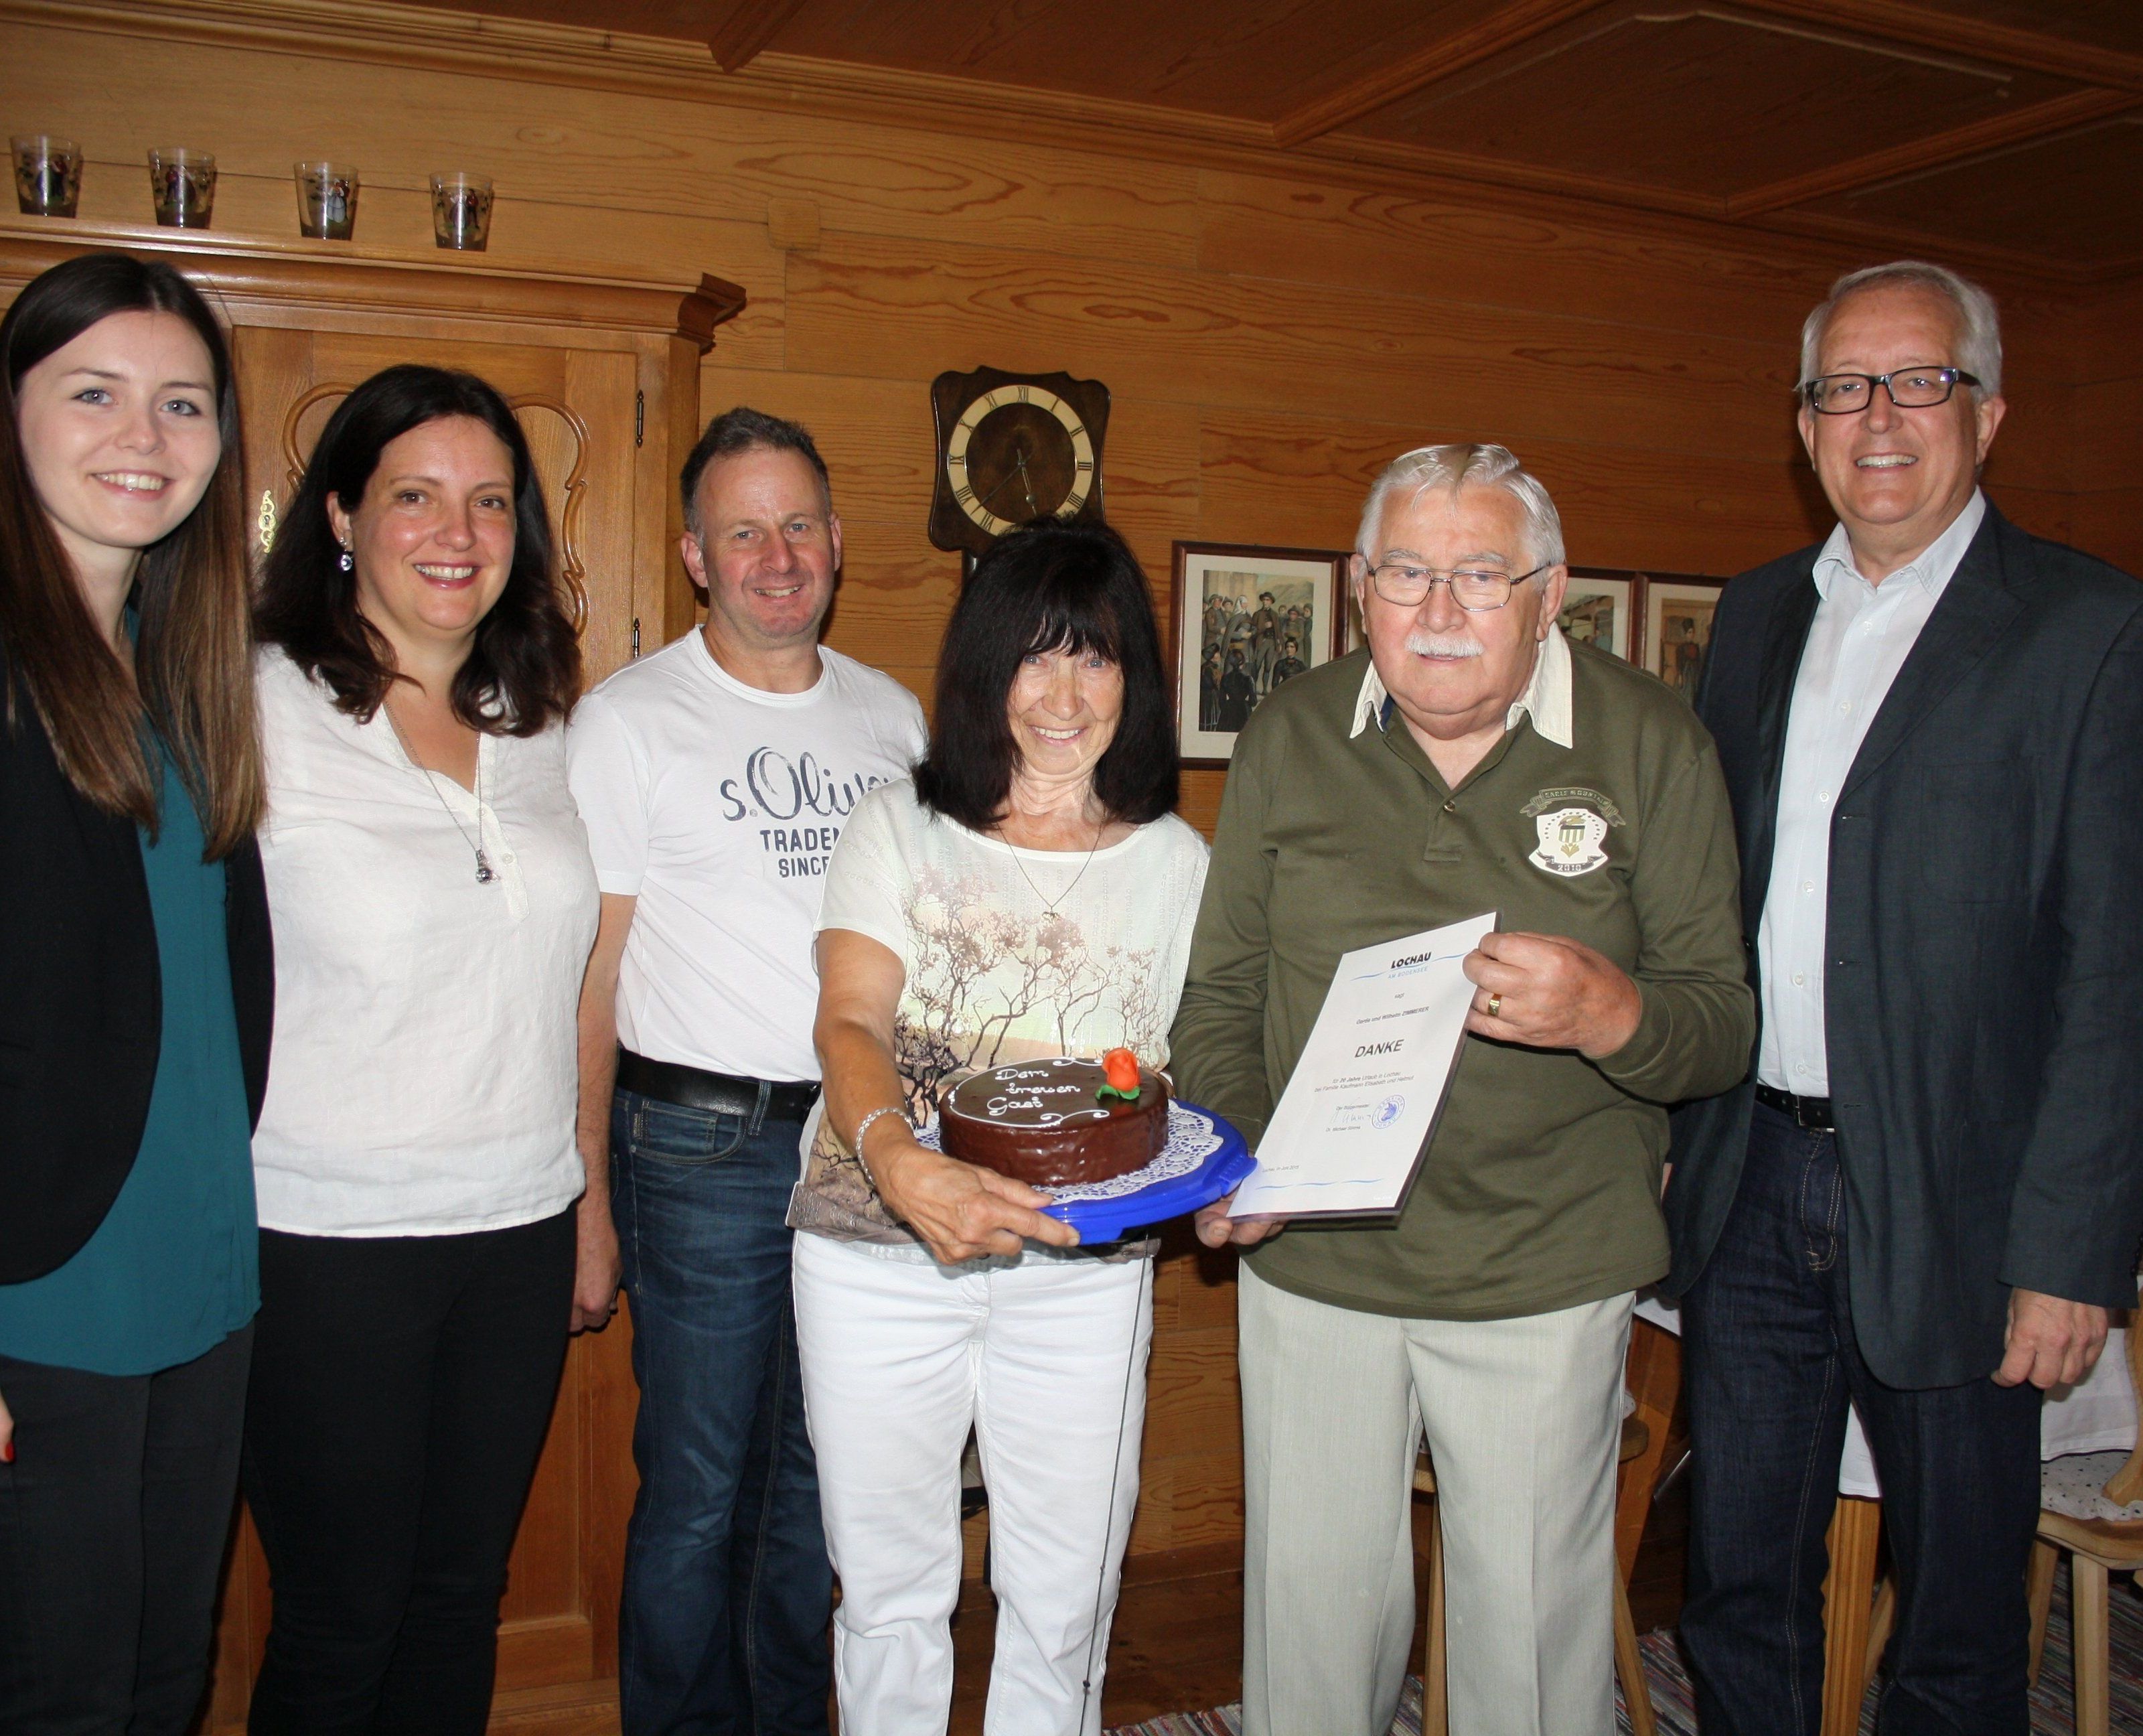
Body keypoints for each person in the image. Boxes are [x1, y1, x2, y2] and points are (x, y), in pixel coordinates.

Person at [1173, 443, 1754, 1736]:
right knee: (1310, 1644)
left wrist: (1614, 1013)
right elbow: (1220, 1001)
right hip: (1315, 1265)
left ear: (1550, 594)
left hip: (1543, 1271)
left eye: (1480, 577)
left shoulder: (1651, 741)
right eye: (1406, 575)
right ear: (1356, 588)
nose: (1437, 613)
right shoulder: (1291, 733)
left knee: (1532, 1666)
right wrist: (1242, 1159)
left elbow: (1720, 1026)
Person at [1664, 260, 2143, 1733]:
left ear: (1985, 415)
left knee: (1952, 1611)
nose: (1876, 417)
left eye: (1915, 380)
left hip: (1966, 1203)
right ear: (1802, 426)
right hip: (1752, 1181)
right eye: (1839, 388)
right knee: (1735, 1580)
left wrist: (2072, 1255)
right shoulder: (1750, 621)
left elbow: (2117, 965)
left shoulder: (2090, 630)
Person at [790, 517, 1208, 1736]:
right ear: (985, 672)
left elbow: (1180, 1076)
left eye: (1097, 657)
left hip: (1079, 1274)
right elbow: (850, 1025)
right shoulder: (896, 828)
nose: (1064, 694)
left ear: (1135, 680)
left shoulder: (1180, 865)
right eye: (1035, 656)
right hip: (879, 1249)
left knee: (1063, 1598)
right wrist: (904, 1163)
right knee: (889, 1594)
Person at [243, 364, 598, 1734]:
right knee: (342, 1617)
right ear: (341, 513)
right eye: (415, 495)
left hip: (513, 1229)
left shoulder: (546, 720)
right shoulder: (249, 708)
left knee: (462, 1595)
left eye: (491, 501)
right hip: (324, 1240)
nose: (458, 531)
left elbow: (575, 983)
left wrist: (584, 1197)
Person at [567, 407, 926, 1735]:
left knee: (812, 1480)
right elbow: (589, 981)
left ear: (835, 541)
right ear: (694, 557)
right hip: (696, 1153)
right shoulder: (629, 722)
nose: (778, 556)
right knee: (702, 1488)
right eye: (743, 533)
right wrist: (588, 1200)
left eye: (799, 527)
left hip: (859, 1149)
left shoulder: (893, 719)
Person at [0, 251, 269, 1736]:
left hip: (204, 1275)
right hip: (44, 1295)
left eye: (181, 404)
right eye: (93, 393)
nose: (142, 438)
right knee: (60, 1700)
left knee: (165, 1685)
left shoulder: (181, 672)